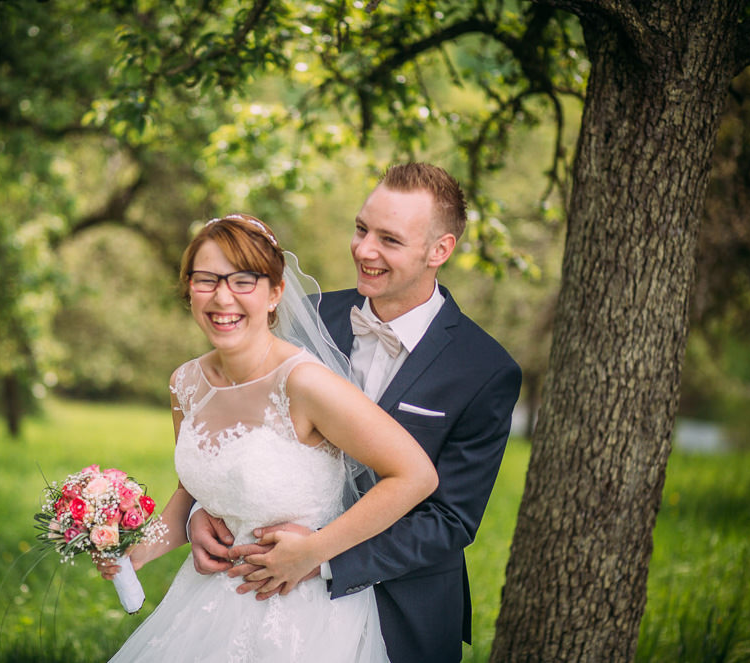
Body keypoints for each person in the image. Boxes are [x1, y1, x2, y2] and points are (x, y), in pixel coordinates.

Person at [190, 164, 523, 663]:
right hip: (263, 594)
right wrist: (207, 511)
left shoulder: (484, 369)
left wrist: (319, 555)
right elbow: (242, 427)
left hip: (401, 606)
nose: (364, 250)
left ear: (440, 250)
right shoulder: (303, 317)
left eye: (389, 239)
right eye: (361, 229)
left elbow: (449, 519)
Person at [101, 213, 439, 662]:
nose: (223, 297)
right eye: (206, 280)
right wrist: (139, 550)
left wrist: (315, 552)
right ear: (189, 290)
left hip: (303, 615)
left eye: (243, 281)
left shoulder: (304, 384)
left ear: (275, 292)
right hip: (207, 601)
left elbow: (415, 475)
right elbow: (192, 490)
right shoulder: (184, 383)